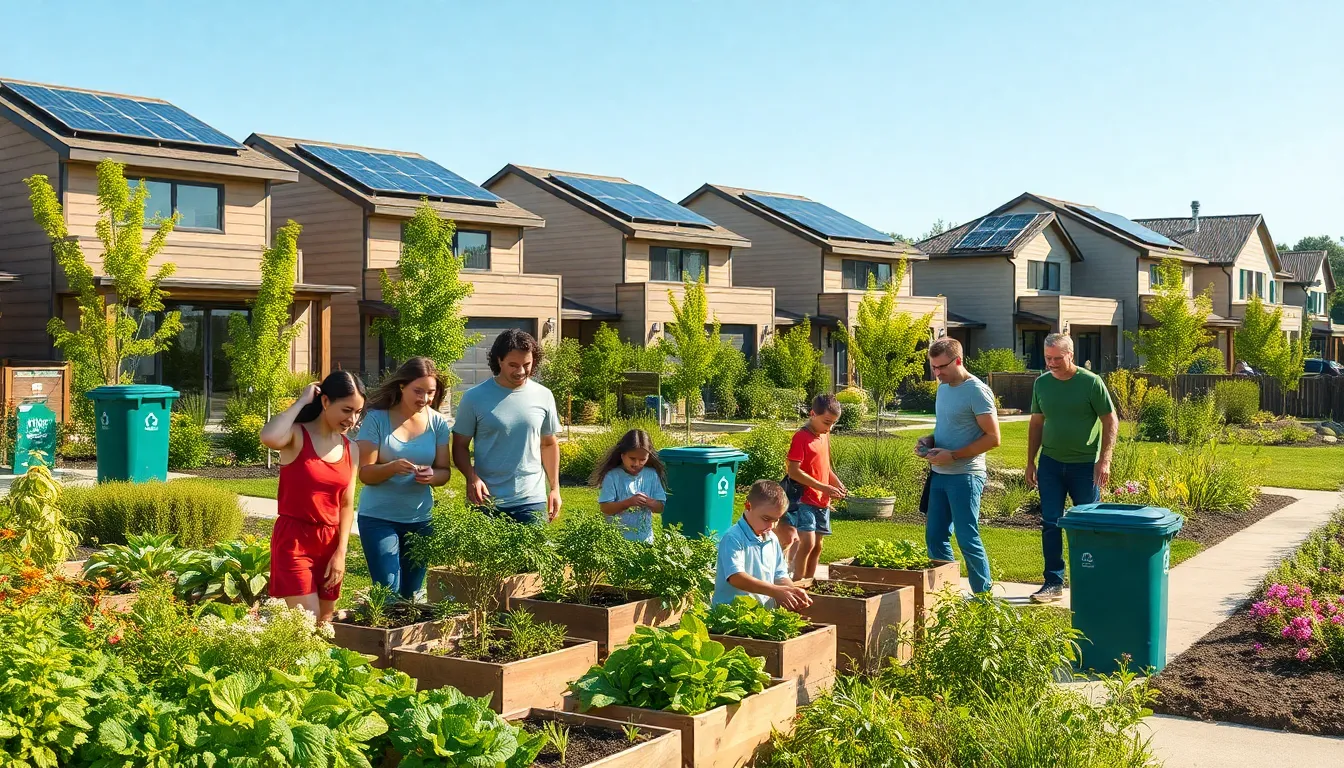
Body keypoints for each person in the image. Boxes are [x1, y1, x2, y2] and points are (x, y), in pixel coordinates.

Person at [260, 370, 365, 623]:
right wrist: (301, 401)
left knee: (324, 625)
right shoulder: (296, 435)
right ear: (326, 402)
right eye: (346, 410)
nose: (352, 419)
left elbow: (347, 504)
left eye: (358, 412)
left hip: (330, 543)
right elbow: (269, 436)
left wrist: (341, 552)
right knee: (307, 623)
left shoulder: (351, 448)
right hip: (294, 540)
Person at [1025, 333, 1118, 603]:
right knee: (1051, 523)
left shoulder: (1091, 383)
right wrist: (1031, 461)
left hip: (1085, 466)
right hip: (1051, 464)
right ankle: (1053, 583)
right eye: (1047, 358)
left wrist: (1105, 460)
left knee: (1089, 525)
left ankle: (1093, 581)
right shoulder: (1041, 384)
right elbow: (1036, 424)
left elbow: (1110, 421)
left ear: (1071, 356)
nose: (1052, 363)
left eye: (1057, 358)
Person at [354, 357, 453, 599]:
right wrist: (391, 467)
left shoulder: (437, 422)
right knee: (389, 591)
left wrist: (431, 476)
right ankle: (381, 636)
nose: (425, 399)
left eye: (431, 393)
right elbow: (364, 474)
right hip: (378, 518)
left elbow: (444, 471)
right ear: (402, 386)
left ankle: (408, 638)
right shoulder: (377, 419)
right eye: (418, 391)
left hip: (420, 520)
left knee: (414, 595)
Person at [916, 337, 1000, 596]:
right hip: (939, 475)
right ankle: (946, 596)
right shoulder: (943, 388)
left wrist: (953, 456)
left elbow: (993, 438)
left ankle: (984, 600)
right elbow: (948, 426)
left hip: (966, 476)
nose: (937, 373)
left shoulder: (977, 390)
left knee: (967, 538)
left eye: (942, 367)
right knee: (935, 537)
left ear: (958, 360)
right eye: (933, 367)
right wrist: (929, 441)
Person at [452, 329, 562, 525]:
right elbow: (460, 446)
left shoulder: (544, 395)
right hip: (486, 500)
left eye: (526, 364)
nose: (520, 371)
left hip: (531, 499)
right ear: (499, 360)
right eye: (513, 365)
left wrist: (554, 488)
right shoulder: (474, 397)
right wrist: (471, 478)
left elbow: (548, 444)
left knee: (531, 555)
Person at [713, 480, 814, 610]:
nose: (771, 526)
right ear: (748, 506)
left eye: (776, 520)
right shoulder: (733, 537)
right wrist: (775, 591)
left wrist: (792, 591)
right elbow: (736, 577)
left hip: (761, 616)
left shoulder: (772, 538)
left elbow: (779, 575)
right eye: (766, 519)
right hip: (729, 618)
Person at [781, 394, 847, 580]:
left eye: (833, 423)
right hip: (804, 499)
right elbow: (793, 471)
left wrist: (836, 483)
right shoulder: (801, 437)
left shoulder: (823, 436)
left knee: (818, 546)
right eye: (827, 422)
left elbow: (824, 466)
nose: (829, 428)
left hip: (821, 500)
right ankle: (797, 583)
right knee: (807, 543)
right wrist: (823, 487)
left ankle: (810, 584)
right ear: (812, 414)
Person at [593, 428, 666, 543]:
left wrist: (649, 502)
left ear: (648, 457)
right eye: (632, 459)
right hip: (617, 541)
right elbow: (605, 508)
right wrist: (628, 503)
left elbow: (660, 507)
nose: (637, 463)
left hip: (645, 540)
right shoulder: (612, 476)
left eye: (642, 459)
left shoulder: (651, 475)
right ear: (622, 455)